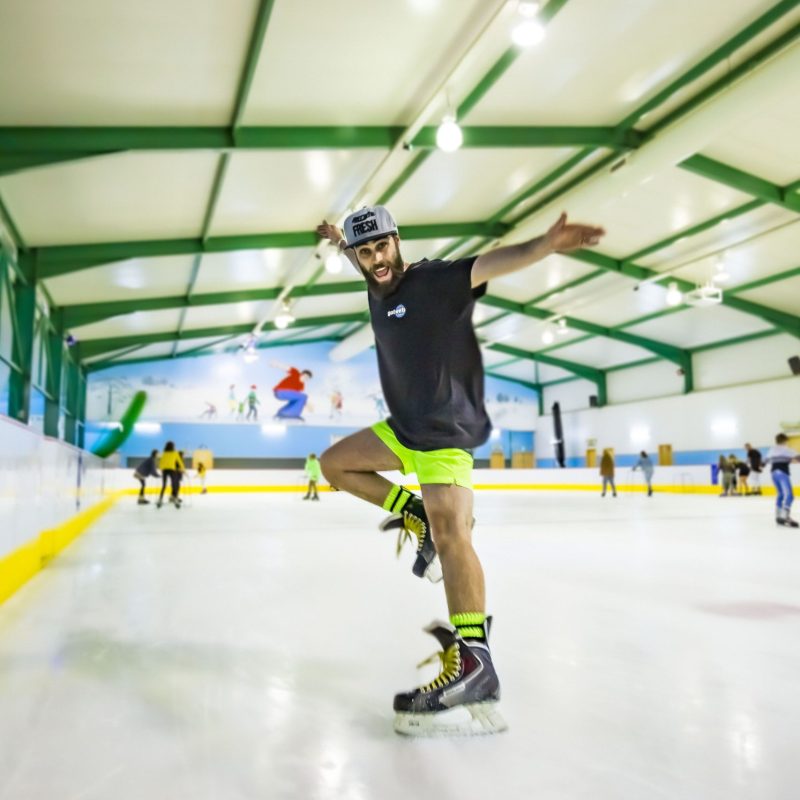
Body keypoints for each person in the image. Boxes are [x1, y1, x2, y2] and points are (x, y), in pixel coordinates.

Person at [316, 206, 604, 736]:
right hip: (404, 428)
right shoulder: (373, 281)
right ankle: (414, 512)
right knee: (335, 464)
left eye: (383, 247)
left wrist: (543, 244)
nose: (377, 259)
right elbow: (353, 251)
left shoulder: (431, 279)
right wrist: (337, 236)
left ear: (397, 241)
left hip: (445, 430)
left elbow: (490, 263)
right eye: (364, 252)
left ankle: (475, 663)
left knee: (454, 536)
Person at [764, 433, 800, 527]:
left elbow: (764, 461)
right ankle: (785, 517)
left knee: (780, 494)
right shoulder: (786, 449)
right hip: (782, 473)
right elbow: (798, 458)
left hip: (773, 473)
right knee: (789, 496)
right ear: (785, 440)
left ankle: (779, 515)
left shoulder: (772, 449)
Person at [157, 441, 185, 509]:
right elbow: (180, 462)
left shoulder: (164, 453)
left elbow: (161, 462)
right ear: (173, 446)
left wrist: (161, 469)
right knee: (174, 485)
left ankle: (160, 500)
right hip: (172, 470)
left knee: (164, 485)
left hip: (164, 470)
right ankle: (175, 500)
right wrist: (183, 469)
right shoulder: (175, 453)